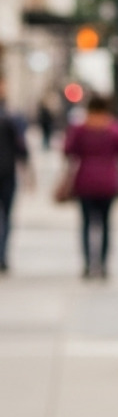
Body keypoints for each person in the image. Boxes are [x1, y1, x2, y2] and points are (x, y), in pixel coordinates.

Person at [62, 93, 118, 279]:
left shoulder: (80, 128)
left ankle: (88, 264)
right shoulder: (115, 129)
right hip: (108, 181)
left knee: (87, 223)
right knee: (105, 224)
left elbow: (67, 150)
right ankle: (102, 265)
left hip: (85, 180)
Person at [0, 77, 30, 273]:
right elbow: (22, 148)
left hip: (7, 172)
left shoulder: (11, 117)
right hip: (7, 172)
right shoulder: (11, 117)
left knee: (7, 216)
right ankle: (2, 255)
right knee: (6, 217)